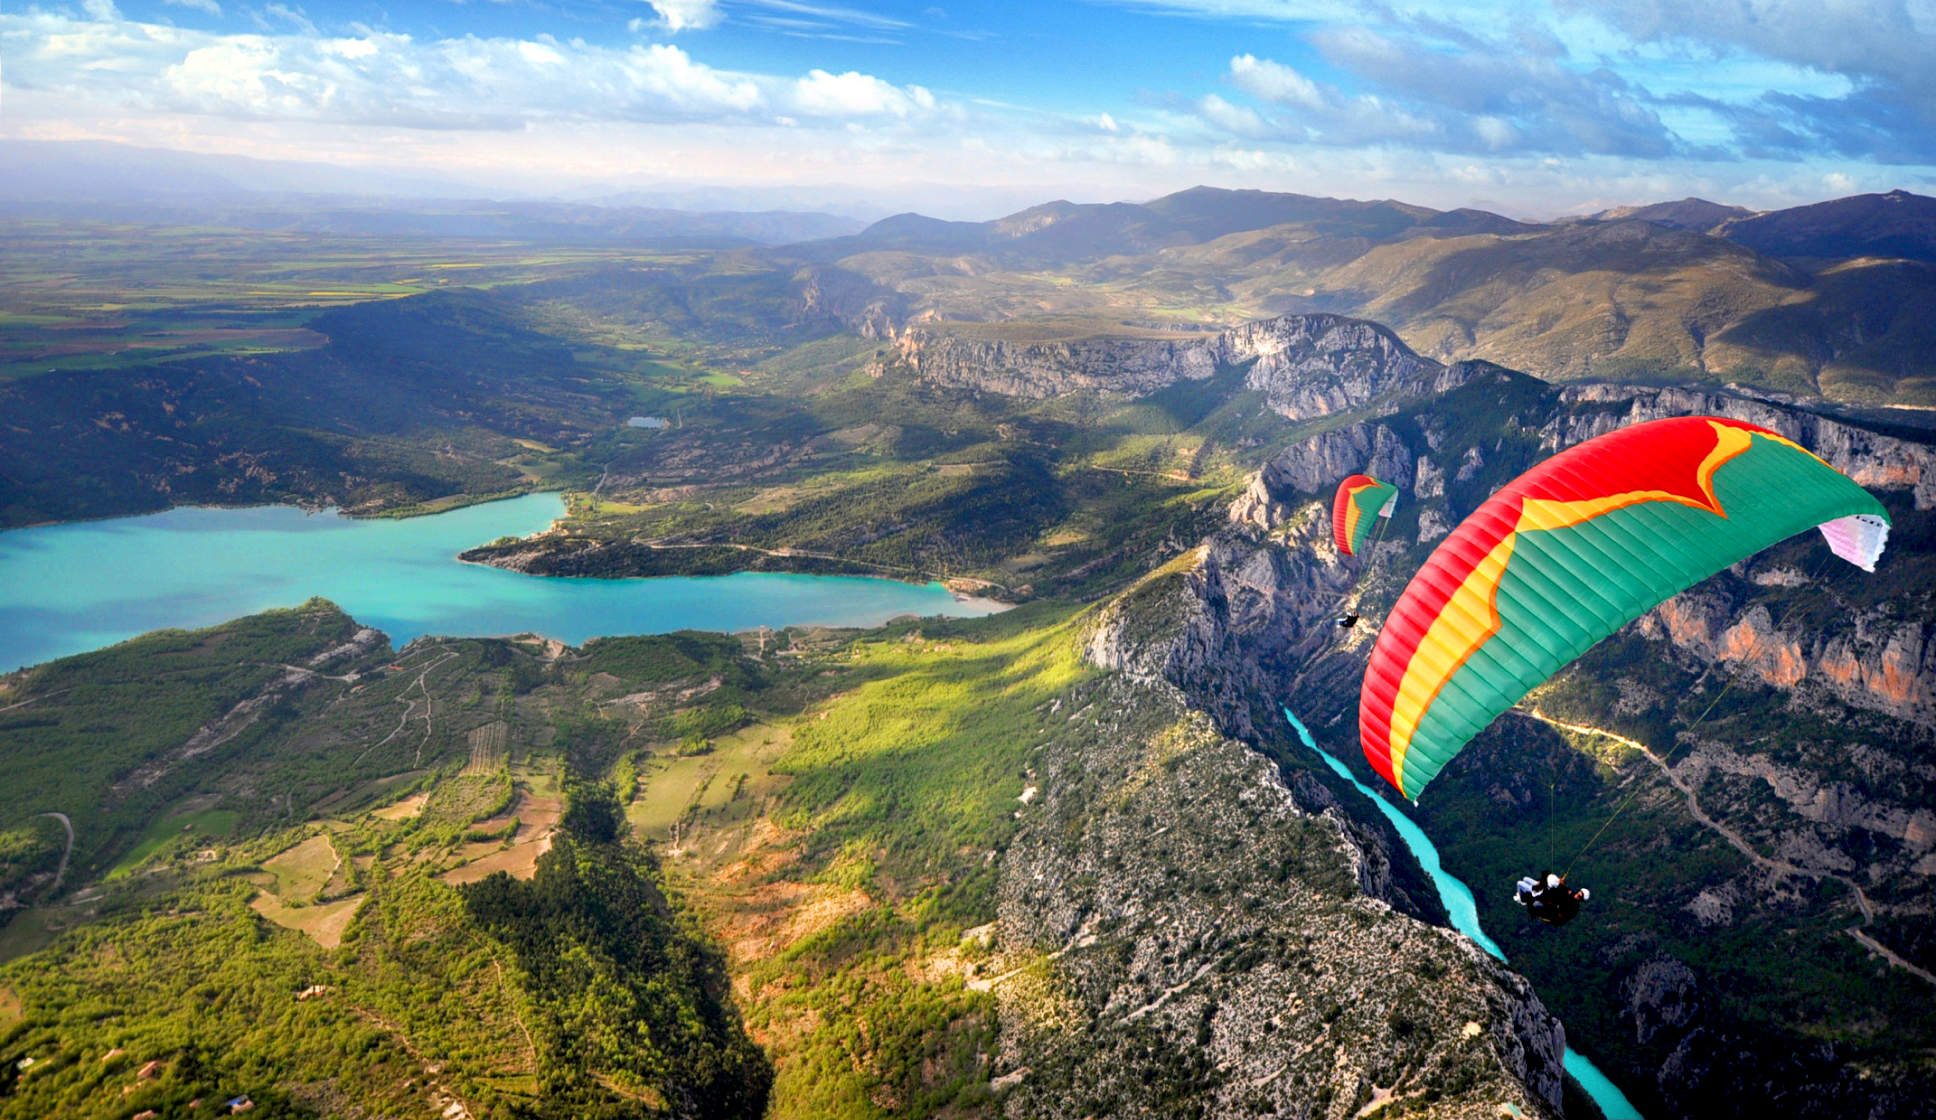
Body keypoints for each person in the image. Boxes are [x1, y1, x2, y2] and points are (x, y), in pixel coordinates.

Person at [1514, 871, 1589, 927]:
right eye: (1579, 893)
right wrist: (1560, 883)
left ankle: (1522, 900)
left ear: (1581, 900)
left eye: (1579, 896)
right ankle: (1526, 896)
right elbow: (1565, 890)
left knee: (1520, 884)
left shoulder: (1573, 906)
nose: (1577, 895)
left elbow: (1560, 909)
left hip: (1549, 910)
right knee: (1525, 879)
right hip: (1546, 894)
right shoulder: (1571, 894)